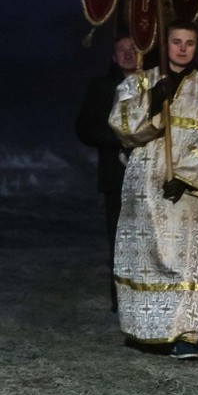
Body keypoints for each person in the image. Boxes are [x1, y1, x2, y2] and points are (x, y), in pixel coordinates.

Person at [109, 20, 198, 359]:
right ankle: (143, 331)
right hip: (144, 186)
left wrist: (188, 178)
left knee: (185, 261)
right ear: (165, 43)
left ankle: (183, 336)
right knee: (144, 258)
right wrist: (151, 101)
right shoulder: (139, 82)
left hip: (184, 190)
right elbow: (121, 128)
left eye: (189, 43)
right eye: (176, 41)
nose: (182, 49)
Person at [75, 34, 137, 310]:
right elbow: (86, 129)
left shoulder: (156, 85)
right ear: (113, 57)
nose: (128, 54)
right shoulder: (102, 87)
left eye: (133, 49)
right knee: (120, 240)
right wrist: (120, 139)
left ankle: (148, 297)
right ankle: (121, 301)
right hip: (117, 176)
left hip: (152, 177)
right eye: (121, 50)